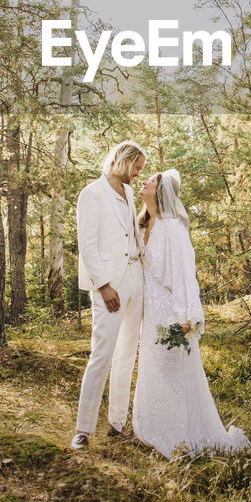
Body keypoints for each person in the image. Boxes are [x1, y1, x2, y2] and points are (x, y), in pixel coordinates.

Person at [132, 169, 251, 459]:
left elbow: (186, 274)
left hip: (171, 309)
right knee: (153, 368)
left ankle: (180, 435)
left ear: (160, 192)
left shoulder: (173, 227)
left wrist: (188, 317)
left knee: (172, 370)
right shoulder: (141, 224)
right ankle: (151, 428)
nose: (144, 182)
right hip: (149, 310)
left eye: (151, 180)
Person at [70, 140, 147, 451]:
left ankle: (117, 422)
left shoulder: (128, 193)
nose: (140, 174)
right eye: (138, 167)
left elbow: (133, 232)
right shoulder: (92, 194)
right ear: (123, 162)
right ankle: (82, 431)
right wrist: (103, 285)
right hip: (109, 286)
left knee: (128, 351)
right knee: (101, 354)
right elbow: (87, 245)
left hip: (135, 280)